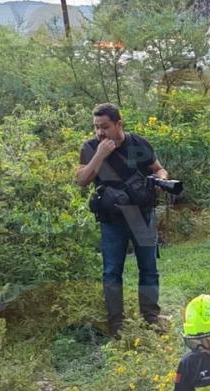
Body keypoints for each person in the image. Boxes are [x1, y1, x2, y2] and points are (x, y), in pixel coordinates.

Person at [77, 103, 169, 336]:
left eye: (105, 127)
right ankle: (116, 325)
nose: (100, 132)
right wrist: (100, 154)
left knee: (148, 269)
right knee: (111, 272)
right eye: (96, 127)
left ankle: (151, 317)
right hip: (111, 220)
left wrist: (160, 180)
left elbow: (158, 169)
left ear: (119, 124)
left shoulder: (138, 144)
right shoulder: (90, 148)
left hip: (142, 215)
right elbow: (82, 180)